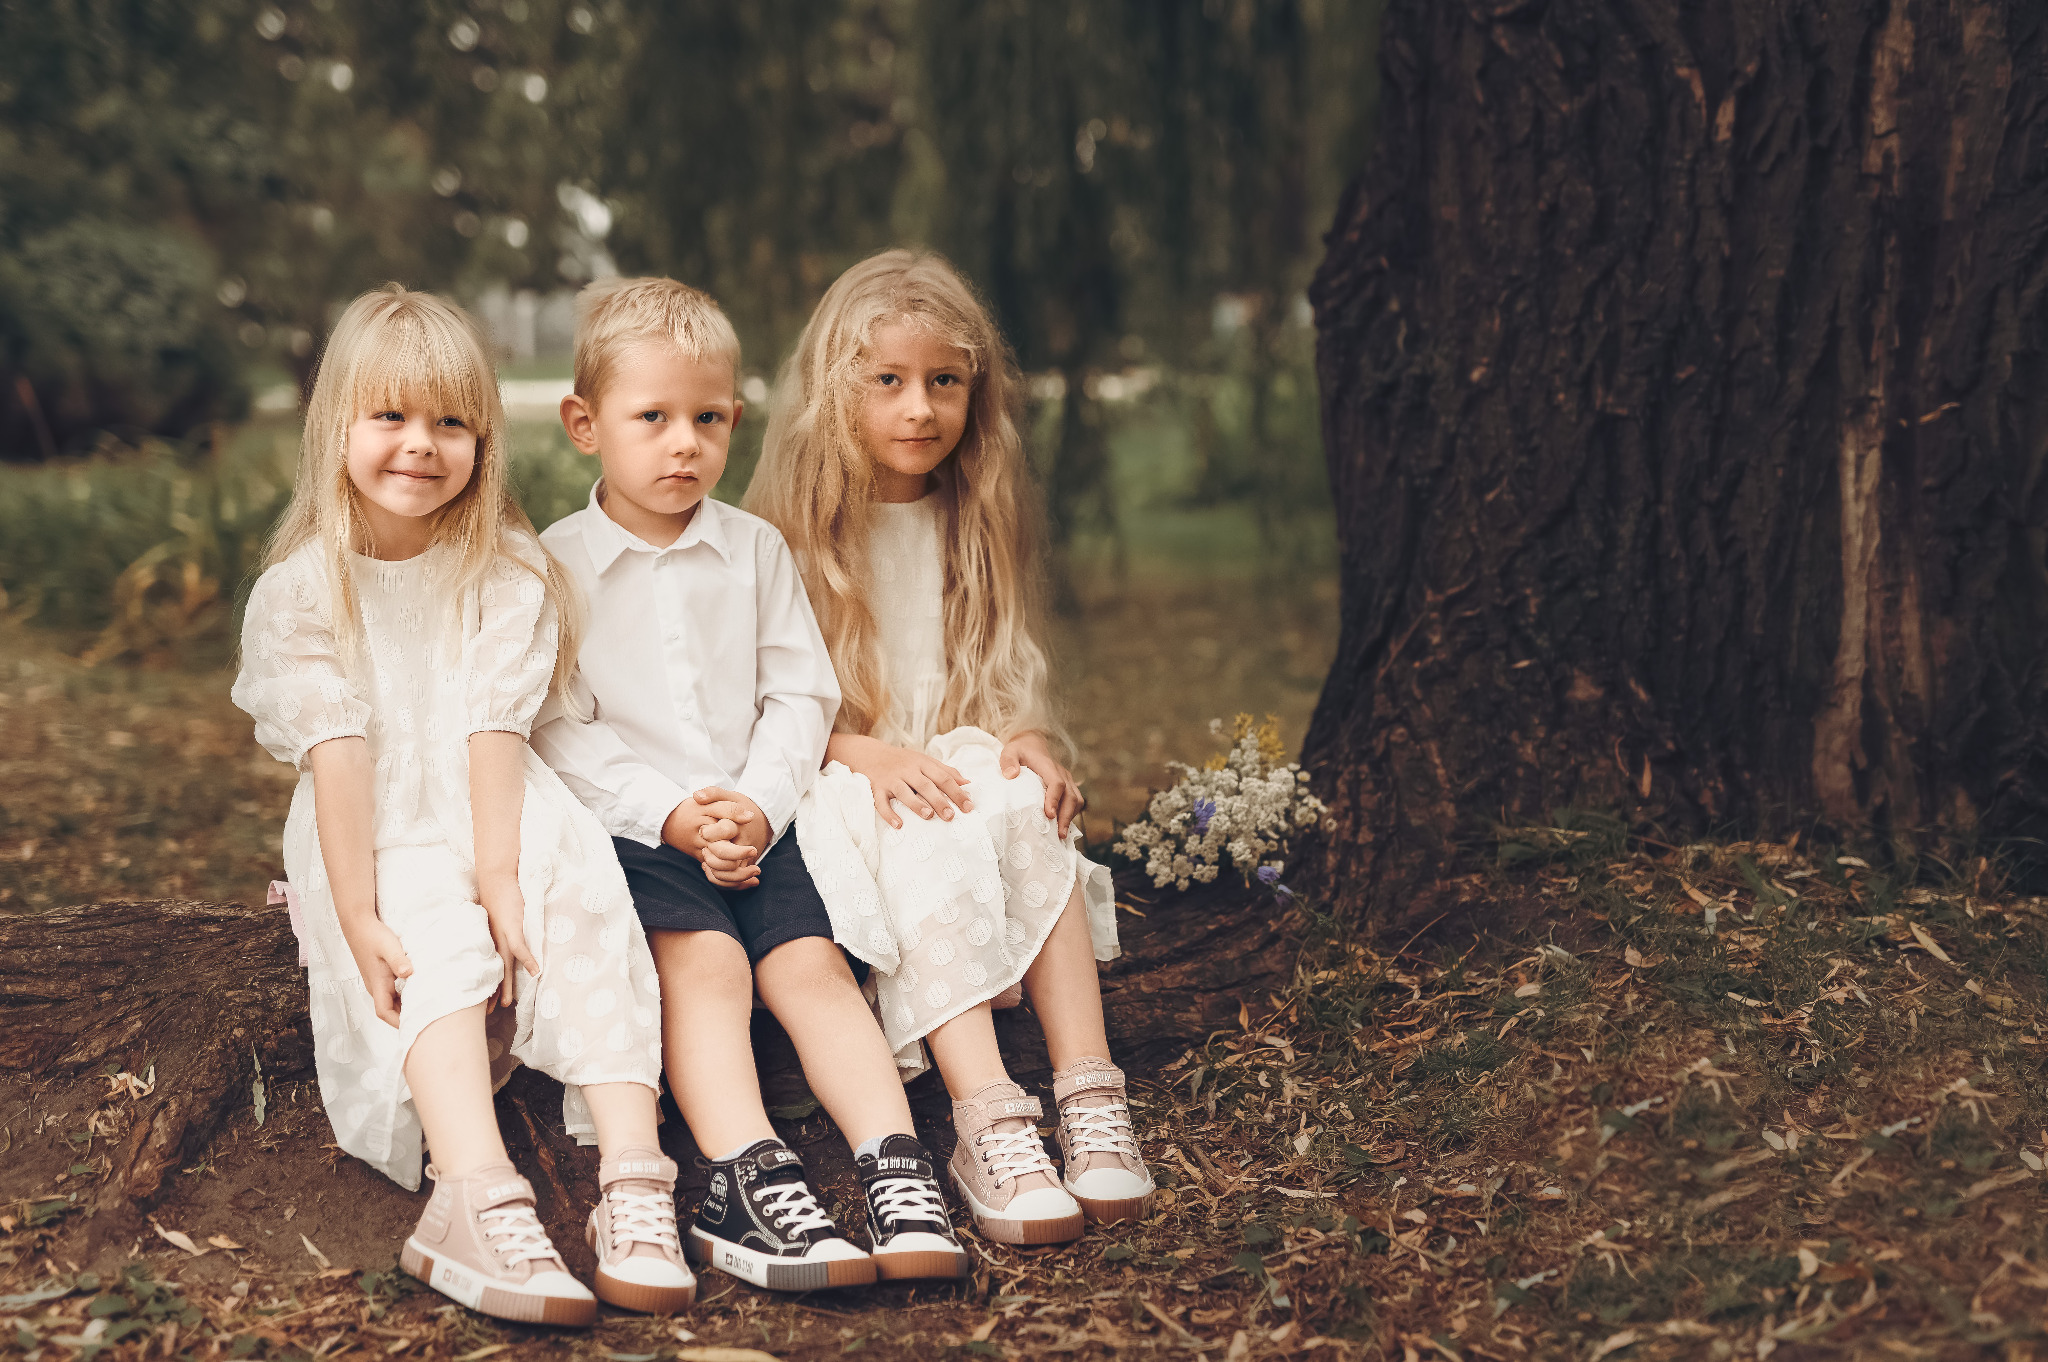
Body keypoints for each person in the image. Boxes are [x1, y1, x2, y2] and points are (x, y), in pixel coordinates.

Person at [231, 285, 693, 1325]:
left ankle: (632, 1174)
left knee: (571, 891)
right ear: (336, 427)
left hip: (494, 795)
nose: (419, 446)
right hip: (370, 822)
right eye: (389, 417)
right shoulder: (304, 591)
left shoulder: (506, 572)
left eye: (451, 422)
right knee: (418, 928)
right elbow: (339, 758)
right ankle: (473, 1194)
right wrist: (354, 910)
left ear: (483, 439)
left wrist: (503, 875)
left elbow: (493, 736)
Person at [530, 276, 969, 1289]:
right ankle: (743, 1168)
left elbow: (800, 697)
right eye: (654, 418)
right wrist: (672, 814)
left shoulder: (753, 549)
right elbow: (558, 730)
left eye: (708, 418)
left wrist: (758, 806)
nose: (684, 443)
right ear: (584, 424)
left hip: (764, 820)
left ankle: (895, 1169)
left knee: (812, 967)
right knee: (707, 970)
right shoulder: (554, 568)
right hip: (639, 836)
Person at [745, 250, 1156, 1245]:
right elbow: (751, 713)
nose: (918, 409)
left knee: (1024, 805)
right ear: (833, 389)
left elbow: (993, 669)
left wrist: (1023, 736)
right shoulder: (779, 535)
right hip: (838, 772)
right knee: (926, 826)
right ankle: (986, 1117)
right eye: (884, 381)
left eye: (943, 382)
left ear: (977, 390)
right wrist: (861, 753)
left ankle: (1088, 1095)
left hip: (950, 752)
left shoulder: (973, 512)